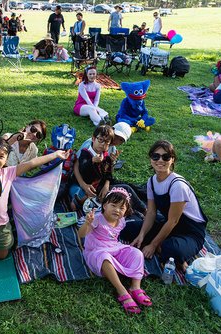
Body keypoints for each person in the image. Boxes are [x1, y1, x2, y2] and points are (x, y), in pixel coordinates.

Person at [121, 140, 208, 270]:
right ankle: (166, 248)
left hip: (189, 232)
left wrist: (153, 245)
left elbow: (173, 221)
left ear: (172, 160)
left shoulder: (177, 185)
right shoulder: (151, 182)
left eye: (166, 157)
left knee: (172, 250)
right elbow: (151, 213)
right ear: (150, 158)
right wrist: (142, 235)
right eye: (156, 156)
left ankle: (168, 249)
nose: (160, 160)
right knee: (128, 229)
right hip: (168, 226)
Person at [79, 188, 151, 314]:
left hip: (114, 247)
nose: (117, 210)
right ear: (105, 205)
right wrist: (87, 223)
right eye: (113, 205)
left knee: (137, 253)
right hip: (96, 250)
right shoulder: (97, 219)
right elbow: (81, 234)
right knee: (104, 258)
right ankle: (122, 290)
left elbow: (115, 239)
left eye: (122, 208)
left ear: (126, 211)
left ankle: (135, 287)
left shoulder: (121, 221)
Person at [70, 125, 114, 210]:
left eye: (106, 142)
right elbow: (82, 169)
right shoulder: (85, 153)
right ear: (93, 139)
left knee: (108, 196)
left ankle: (91, 203)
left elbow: (108, 172)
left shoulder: (105, 155)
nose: (103, 144)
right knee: (76, 192)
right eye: (100, 140)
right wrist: (92, 161)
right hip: (79, 184)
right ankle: (79, 203)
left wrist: (111, 162)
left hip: (96, 186)